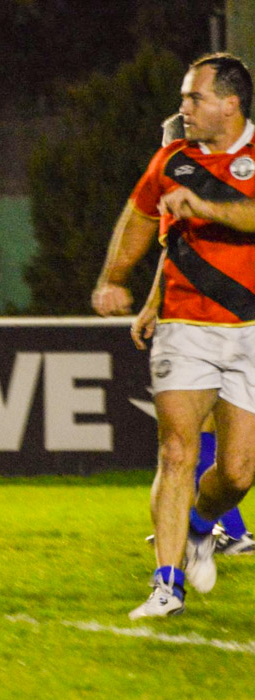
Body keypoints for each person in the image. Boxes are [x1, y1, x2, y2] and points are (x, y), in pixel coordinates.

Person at [92, 53, 255, 618]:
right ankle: (167, 584)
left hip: (250, 330)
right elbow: (141, 219)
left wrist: (204, 205)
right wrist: (115, 280)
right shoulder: (172, 159)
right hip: (185, 326)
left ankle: (203, 524)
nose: (184, 108)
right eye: (184, 98)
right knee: (177, 449)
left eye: (195, 98)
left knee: (238, 471)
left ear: (230, 104)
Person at [129, 112, 253, 556]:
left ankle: (225, 530)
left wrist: (149, 305)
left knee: (207, 440)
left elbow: (175, 252)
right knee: (200, 437)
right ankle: (218, 529)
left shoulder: (200, 188)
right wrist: (151, 305)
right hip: (213, 322)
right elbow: (176, 254)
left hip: (228, 323)